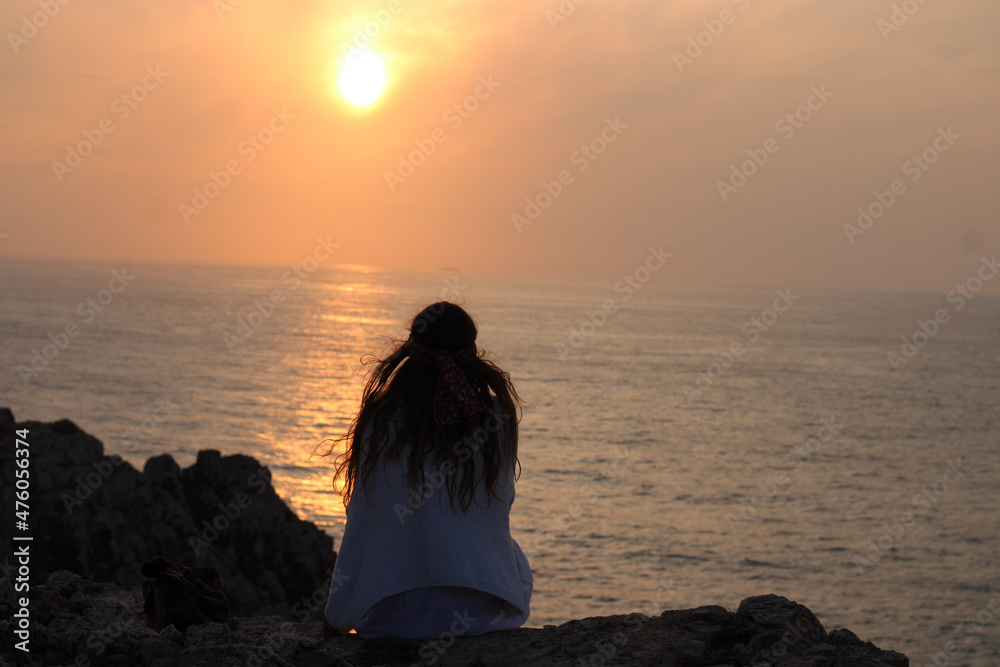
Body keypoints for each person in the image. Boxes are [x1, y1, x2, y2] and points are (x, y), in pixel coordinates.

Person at [323, 302, 532, 639]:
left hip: (391, 616)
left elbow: (364, 517)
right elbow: (499, 508)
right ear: (471, 350)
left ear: (412, 347)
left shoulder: (381, 418)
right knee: (514, 555)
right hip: (475, 613)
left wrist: (339, 612)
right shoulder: (495, 418)